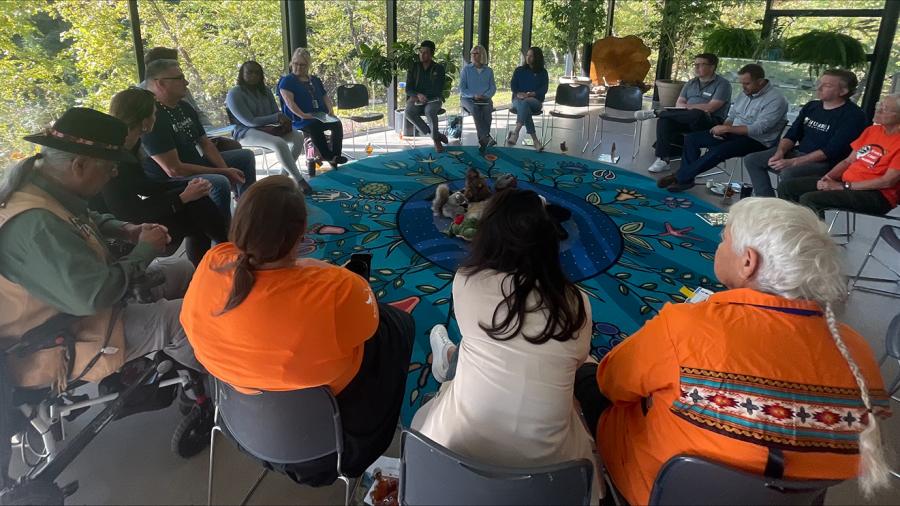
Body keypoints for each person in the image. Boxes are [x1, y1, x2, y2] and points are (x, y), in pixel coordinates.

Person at [574, 197, 892, 506]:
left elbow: (612, 383)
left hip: (654, 489)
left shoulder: (686, 326)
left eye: (723, 239)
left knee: (590, 377)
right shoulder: (857, 353)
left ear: (747, 261)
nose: (718, 246)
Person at [180, 176, 415, 485]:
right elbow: (369, 329)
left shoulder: (212, 262)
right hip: (332, 450)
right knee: (396, 326)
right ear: (301, 234)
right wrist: (322, 274)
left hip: (238, 425)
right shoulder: (338, 287)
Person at [411, 189, 601, 503]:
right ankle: (450, 357)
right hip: (552, 478)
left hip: (452, 459)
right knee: (581, 365)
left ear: (488, 236)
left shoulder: (467, 281)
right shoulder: (577, 302)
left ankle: (448, 357)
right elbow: (578, 360)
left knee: (476, 350)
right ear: (548, 243)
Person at [0, 107, 201, 392]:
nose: (115, 172)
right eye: (109, 166)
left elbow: (85, 217)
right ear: (79, 165)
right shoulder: (36, 225)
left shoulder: (41, 188)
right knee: (188, 317)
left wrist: (125, 229)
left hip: (76, 308)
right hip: (53, 339)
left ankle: (179, 357)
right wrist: (144, 251)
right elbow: (95, 296)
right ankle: (217, 389)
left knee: (182, 270)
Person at [92, 87, 228, 266]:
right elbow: (125, 212)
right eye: (154, 113)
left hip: (133, 210)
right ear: (145, 120)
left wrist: (186, 185)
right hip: (120, 226)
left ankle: (224, 249)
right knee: (196, 211)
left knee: (198, 199)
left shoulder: (132, 142)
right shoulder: (112, 153)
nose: (157, 117)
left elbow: (142, 184)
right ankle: (227, 247)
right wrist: (181, 197)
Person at [143, 58, 257, 219]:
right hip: (172, 178)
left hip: (195, 163)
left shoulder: (183, 107)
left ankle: (247, 214)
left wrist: (227, 170)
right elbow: (174, 170)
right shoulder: (153, 116)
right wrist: (223, 172)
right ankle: (224, 233)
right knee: (218, 182)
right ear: (160, 83)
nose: (186, 82)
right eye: (179, 78)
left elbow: (205, 143)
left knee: (244, 156)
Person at [658, 64, 788, 192]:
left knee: (719, 150)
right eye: (742, 83)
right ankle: (685, 180)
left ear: (760, 82)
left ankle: (680, 177)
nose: (743, 87)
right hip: (734, 133)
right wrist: (723, 128)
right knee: (692, 139)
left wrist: (728, 130)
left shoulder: (776, 100)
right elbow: (732, 116)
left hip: (757, 141)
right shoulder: (745, 94)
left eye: (747, 83)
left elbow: (760, 128)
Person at [745, 69, 868, 197]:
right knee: (753, 160)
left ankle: (790, 210)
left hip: (826, 163)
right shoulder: (812, 106)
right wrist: (780, 152)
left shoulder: (853, 115)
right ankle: (766, 201)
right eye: (820, 83)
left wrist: (793, 162)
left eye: (827, 85)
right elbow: (792, 134)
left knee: (789, 173)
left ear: (843, 91)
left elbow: (831, 150)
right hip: (799, 152)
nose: (819, 88)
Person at [779, 95, 900, 217]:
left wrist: (843, 186)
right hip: (846, 182)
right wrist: (826, 178)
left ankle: (812, 235)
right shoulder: (873, 131)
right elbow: (848, 161)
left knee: (810, 199)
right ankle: (788, 226)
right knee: (787, 187)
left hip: (877, 195)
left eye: (885, 109)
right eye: (879, 105)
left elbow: (887, 181)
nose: (878, 110)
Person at [634, 53, 732, 173]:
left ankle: (658, 113)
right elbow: (679, 104)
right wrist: (689, 108)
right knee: (665, 121)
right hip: (687, 118)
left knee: (698, 113)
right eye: (695, 64)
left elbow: (711, 108)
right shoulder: (690, 83)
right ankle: (663, 159)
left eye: (701, 64)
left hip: (710, 122)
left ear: (712, 67)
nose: (696, 67)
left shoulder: (723, 84)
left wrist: (689, 107)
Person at [226, 60, 312, 194]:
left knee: (298, 136)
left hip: (269, 128)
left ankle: (280, 179)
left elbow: (275, 111)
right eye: (250, 72)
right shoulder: (234, 94)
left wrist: (281, 118)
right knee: (279, 143)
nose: (254, 75)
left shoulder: (265, 90)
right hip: (245, 132)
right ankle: (300, 180)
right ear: (242, 74)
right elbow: (249, 121)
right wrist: (276, 117)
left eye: (257, 73)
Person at [138, 46, 242, 152]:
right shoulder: (141, 95)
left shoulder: (182, 89)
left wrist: (208, 131)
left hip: (196, 135)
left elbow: (197, 113)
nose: (175, 67)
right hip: (174, 143)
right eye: (169, 64)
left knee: (233, 146)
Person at [278, 48, 347, 169]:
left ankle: (336, 156)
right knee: (314, 126)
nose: (298, 67)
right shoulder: (286, 81)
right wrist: (303, 115)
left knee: (336, 123)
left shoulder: (315, 80)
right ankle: (328, 156)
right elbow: (290, 103)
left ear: (308, 65)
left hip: (319, 114)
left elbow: (324, 96)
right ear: (291, 63)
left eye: (302, 65)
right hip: (299, 118)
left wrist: (331, 111)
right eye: (295, 63)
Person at [404, 40, 448, 153]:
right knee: (408, 112)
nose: (422, 55)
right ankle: (435, 135)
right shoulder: (413, 67)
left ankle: (436, 141)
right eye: (421, 52)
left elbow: (438, 89)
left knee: (429, 111)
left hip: (434, 99)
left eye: (425, 52)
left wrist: (425, 96)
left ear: (432, 54)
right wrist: (417, 95)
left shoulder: (439, 68)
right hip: (416, 98)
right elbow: (408, 88)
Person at [507, 47, 549, 151]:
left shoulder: (543, 72)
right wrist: (518, 94)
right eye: (527, 55)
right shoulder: (519, 70)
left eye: (531, 56)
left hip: (535, 101)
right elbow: (513, 86)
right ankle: (535, 141)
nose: (528, 58)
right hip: (518, 99)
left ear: (537, 58)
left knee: (525, 103)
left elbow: (544, 89)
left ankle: (516, 131)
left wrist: (532, 94)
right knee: (525, 106)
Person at [459, 44, 497, 150]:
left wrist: (485, 96)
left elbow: (493, 88)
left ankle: (484, 139)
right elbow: (462, 89)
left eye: (477, 53)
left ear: (482, 55)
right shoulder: (466, 70)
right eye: (472, 53)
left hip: (485, 98)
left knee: (487, 109)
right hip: (467, 98)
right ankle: (485, 138)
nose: (474, 55)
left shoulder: (489, 71)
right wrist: (473, 95)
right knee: (475, 109)